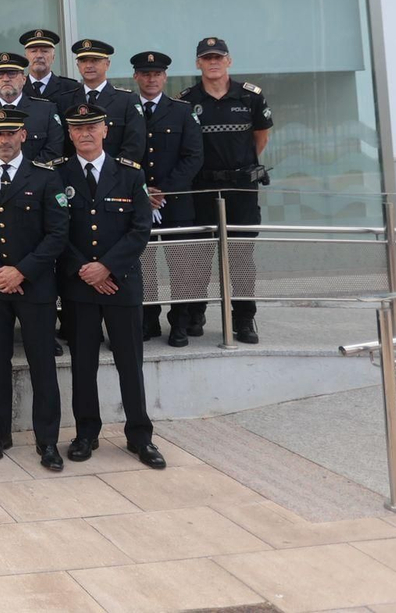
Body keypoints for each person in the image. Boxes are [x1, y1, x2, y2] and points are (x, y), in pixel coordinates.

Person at [58, 103, 166, 469]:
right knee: (83, 364)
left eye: (92, 127)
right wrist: (85, 270)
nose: (85, 133)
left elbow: (140, 229)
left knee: (129, 363)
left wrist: (107, 269)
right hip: (78, 286)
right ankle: (86, 433)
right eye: (77, 128)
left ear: (105, 130)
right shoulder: (58, 174)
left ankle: (140, 436)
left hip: (121, 284)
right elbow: (55, 230)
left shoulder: (130, 174)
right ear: (69, 133)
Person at [0, 107, 68, 470]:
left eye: (11, 133)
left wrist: (20, 272)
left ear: (23, 135)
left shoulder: (45, 176)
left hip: (35, 285)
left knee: (42, 364)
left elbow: (58, 233)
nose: (4, 140)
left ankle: (48, 441)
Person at [177, 36, 272, 344]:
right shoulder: (187, 100)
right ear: (198, 63)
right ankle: (195, 313)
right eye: (207, 58)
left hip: (241, 189)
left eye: (219, 57)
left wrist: (239, 169)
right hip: (202, 188)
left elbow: (261, 138)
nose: (213, 62)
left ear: (229, 61)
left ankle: (244, 320)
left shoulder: (250, 97)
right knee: (198, 257)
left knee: (241, 258)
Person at [130, 51, 205, 346]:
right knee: (143, 266)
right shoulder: (126, 107)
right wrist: (141, 191)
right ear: (136, 76)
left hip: (175, 203)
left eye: (157, 74)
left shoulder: (183, 111)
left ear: (165, 77)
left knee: (181, 269)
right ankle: (148, 321)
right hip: (138, 203)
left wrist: (163, 190)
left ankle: (180, 324)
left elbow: (193, 156)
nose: (151, 79)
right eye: (145, 74)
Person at [0, 52, 64, 164]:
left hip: (34, 179)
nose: (6, 79)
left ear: (24, 79)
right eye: (0, 74)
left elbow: (54, 148)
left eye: (12, 74)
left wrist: (28, 173)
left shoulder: (45, 110)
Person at [58, 39, 146, 161]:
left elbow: (135, 145)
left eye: (95, 60)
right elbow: (61, 144)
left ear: (107, 64)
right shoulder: (65, 100)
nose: (89, 66)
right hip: (75, 175)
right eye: (83, 61)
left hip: (116, 175)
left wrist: (113, 172)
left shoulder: (127, 100)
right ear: (78, 65)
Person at [20, 29, 82, 102]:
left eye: (45, 51)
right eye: (34, 51)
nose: (39, 55)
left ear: (53, 57)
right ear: (26, 57)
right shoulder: (17, 88)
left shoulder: (72, 88)